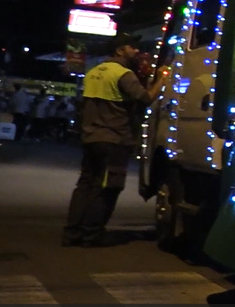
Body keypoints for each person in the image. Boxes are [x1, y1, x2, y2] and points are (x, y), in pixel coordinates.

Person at [62, 34, 169, 247]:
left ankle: (72, 233)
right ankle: (92, 234)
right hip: (114, 139)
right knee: (108, 187)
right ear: (120, 50)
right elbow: (146, 99)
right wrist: (162, 80)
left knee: (85, 185)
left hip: (91, 137)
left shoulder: (94, 73)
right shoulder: (123, 74)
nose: (137, 51)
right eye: (132, 48)